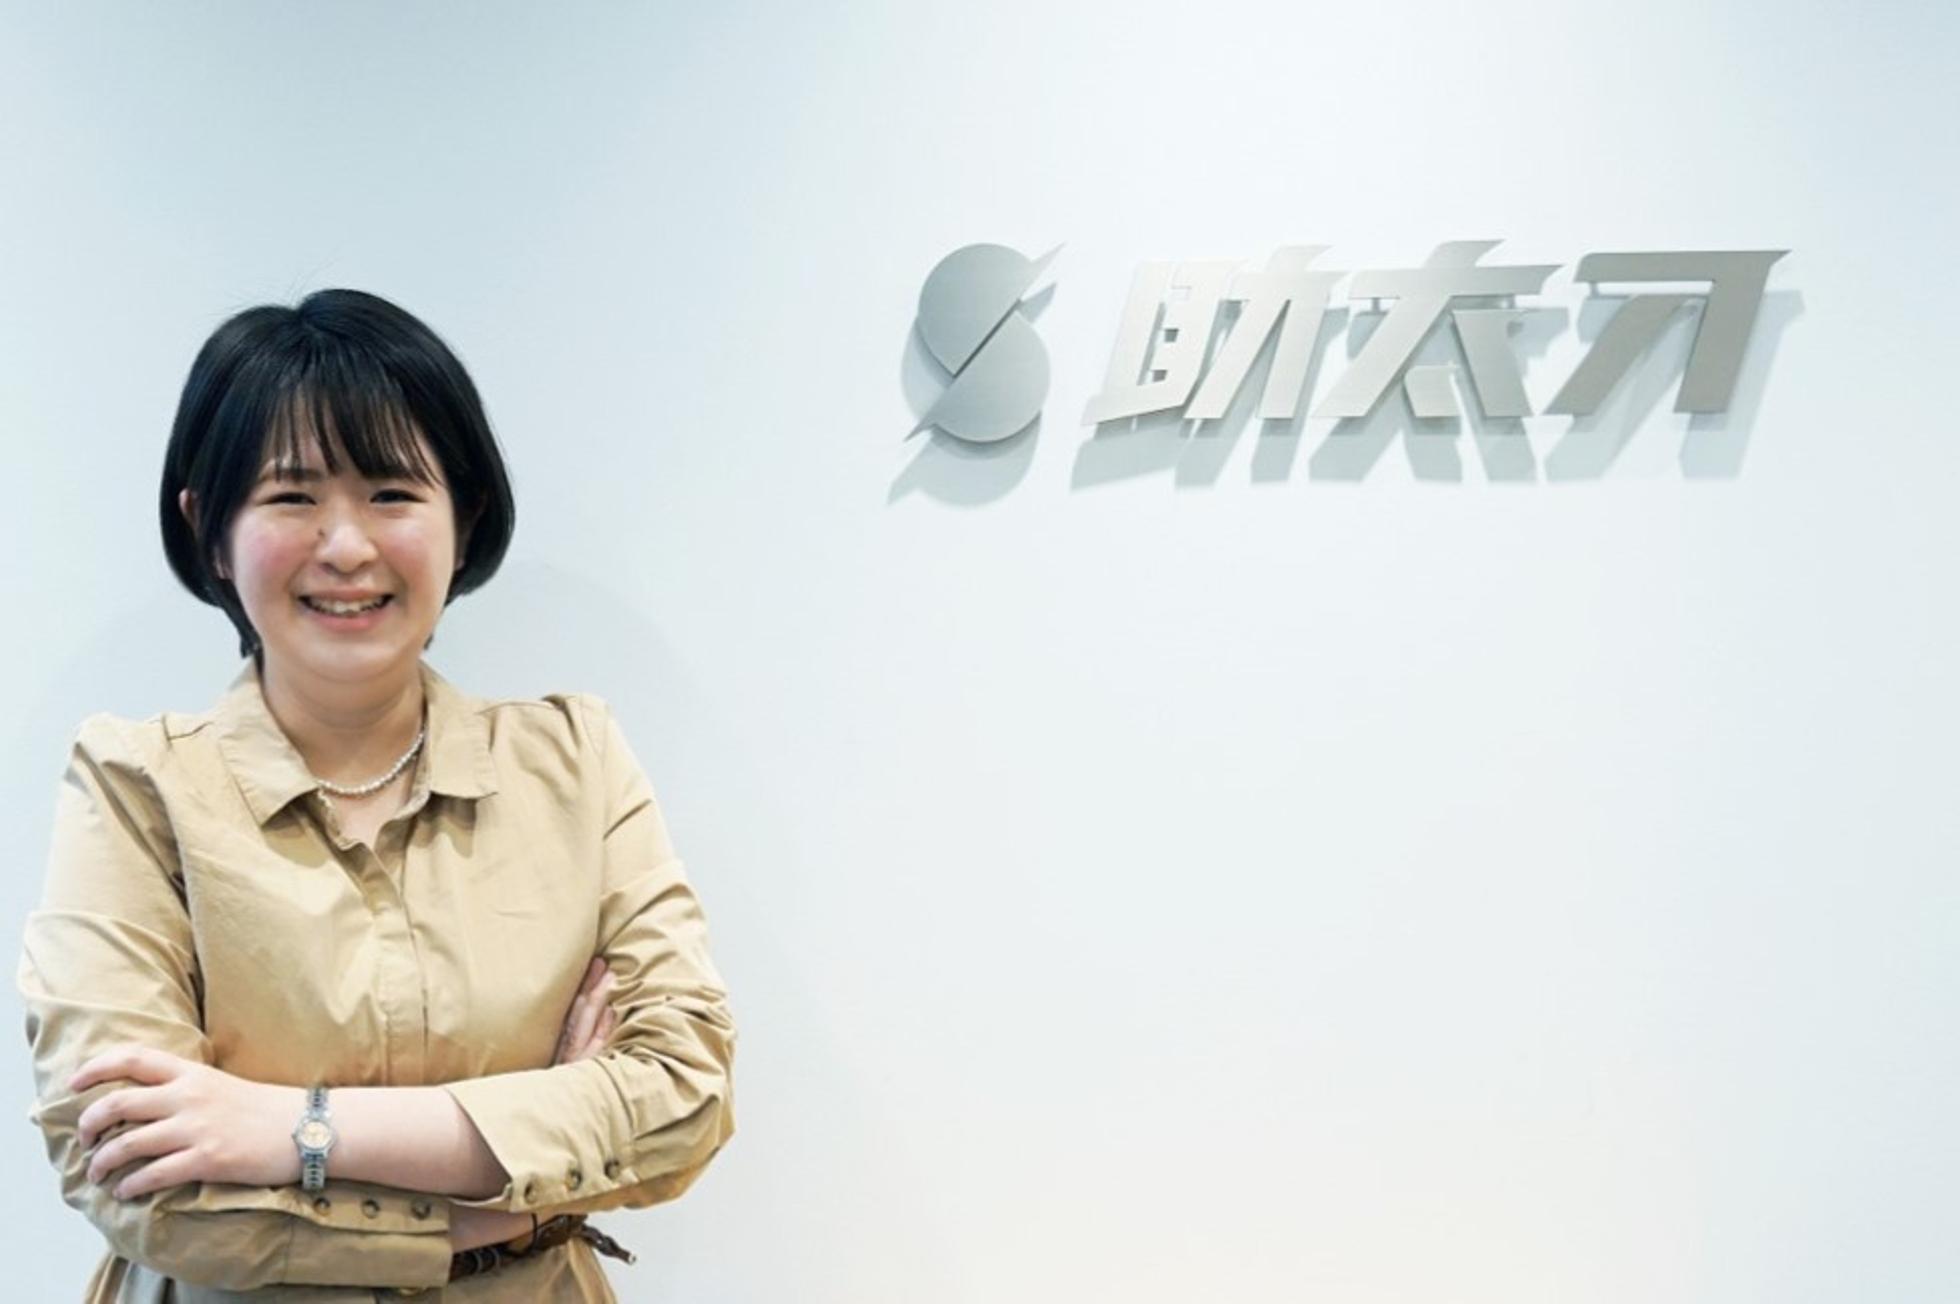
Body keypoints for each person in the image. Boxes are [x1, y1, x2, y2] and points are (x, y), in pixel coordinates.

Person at [16, 289, 737, 1301]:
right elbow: (131, 1174)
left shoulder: (575, 762)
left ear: (464, 520)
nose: (347, 546)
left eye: (392, 492)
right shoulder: (138, 788)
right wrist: (514, 1204)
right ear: (209, 528)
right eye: (291, 496)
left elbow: (682, 1092)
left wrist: (292, 1128)